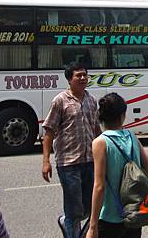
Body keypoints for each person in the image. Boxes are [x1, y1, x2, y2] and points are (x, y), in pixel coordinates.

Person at [42, 63, 102, 238]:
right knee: (74, 209)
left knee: (90, 207)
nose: (83, 78)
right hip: (69, 164)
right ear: (69, 79)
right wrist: (46, 161)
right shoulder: (60, 101)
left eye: (84, 75)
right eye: (78, 75)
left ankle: (67, 222)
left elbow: (96, 130)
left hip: (90, 161)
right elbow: (49, 132)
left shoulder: (91, 100)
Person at [86, 93, 148, 238]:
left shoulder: (100, 142)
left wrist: (92, 226)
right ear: (123, 115)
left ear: (101, 117)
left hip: (109, 216)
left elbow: (99, 186)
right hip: (133, 213)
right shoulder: (132, 136)